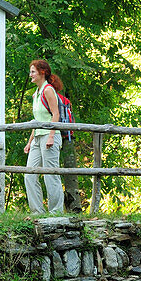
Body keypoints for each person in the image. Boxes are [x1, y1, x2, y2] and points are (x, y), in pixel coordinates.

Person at [24, 59, 64, 215]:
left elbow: (56, 114)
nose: (30, 75)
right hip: (38, 137)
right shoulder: (36, 93)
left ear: (42, 72)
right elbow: (37, 121)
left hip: (49, 136)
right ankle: (37, 212)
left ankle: (56, 212)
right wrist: (29, 142)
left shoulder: (48, 90)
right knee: (29, 175)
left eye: (33, 71)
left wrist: (51, 137)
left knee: (50, 174)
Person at [59, 87, 82, 212]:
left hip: (53, 135)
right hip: (65, 133)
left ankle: (60, 209)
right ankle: (73, 206)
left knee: (52, 173)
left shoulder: (53, 96)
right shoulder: (64, 100)